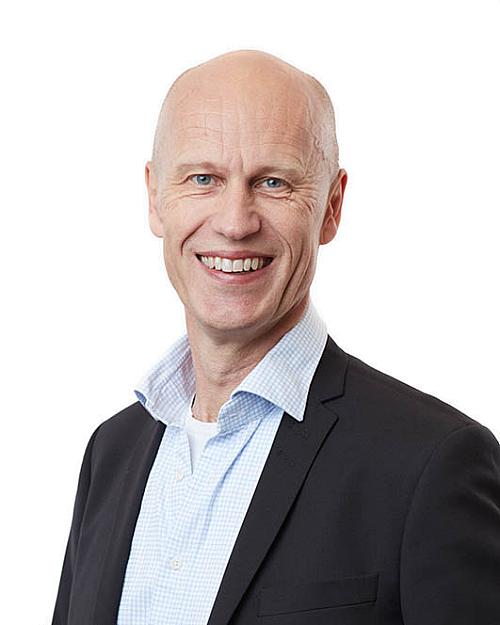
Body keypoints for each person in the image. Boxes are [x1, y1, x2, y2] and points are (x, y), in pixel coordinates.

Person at [51, 49, 500, 625]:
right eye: (203, 179)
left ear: (332, 207)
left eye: (273, 182)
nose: (235, 222)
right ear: (155, 196)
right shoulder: (110, 454)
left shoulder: (431, 463)